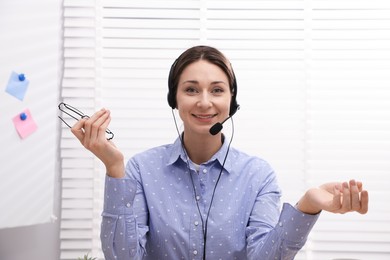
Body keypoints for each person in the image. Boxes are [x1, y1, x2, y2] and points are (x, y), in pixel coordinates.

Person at [70, 45, 369, 260]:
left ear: (232, 101)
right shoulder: (140, 170)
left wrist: (308, 205)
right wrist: (114, 167)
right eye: (191, 90)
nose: (204, 102)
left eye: (216, 90)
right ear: (173, 99)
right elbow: (122, 257)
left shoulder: (258, 175)